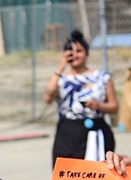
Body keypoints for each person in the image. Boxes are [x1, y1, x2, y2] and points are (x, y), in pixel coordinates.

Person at [44, 30, 118, 165]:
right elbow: (48, 98)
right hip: (67, 134)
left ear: (86, 53)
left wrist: (99, 106)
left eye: (79, 51)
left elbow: (114, 107)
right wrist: (61, 67)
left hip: (96, 132)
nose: (75, 55)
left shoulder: (102, 77)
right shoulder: (61, 78)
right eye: (71, 52)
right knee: (65, 178)